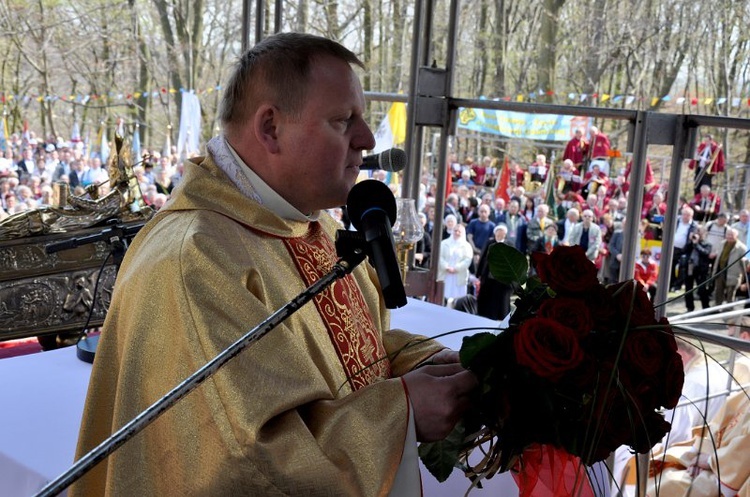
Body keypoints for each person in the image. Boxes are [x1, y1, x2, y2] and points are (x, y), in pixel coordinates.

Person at [70, 33, 477, 497]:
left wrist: (431, 363)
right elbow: (249, 458)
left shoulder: (305, 221)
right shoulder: (194, 260)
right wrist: (403, 411)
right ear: (270, 129)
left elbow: (349, 354)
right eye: (344, 121)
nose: (366, 139)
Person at [475, 224, 513, 320]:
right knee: (488, 297)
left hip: (502, 278)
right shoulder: (490, 242)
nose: (499, 234)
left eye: (501, 232)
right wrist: (478, 273)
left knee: (501, 299)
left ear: (505, 234)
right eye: (498, 232)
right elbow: (483, 257)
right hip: (489, 276)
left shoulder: (509, 244)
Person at [437, 223, 475, 308]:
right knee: (444, 295)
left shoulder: (467, 246)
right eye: (455, 231)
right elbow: (439, 257)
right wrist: (446, 267)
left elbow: (467, 259)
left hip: (459, 275)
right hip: (445, 274)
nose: (457, 233)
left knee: (458, 298)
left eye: (459, 231)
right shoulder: (444, 243)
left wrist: (456, 268)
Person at [712, 227, 748, 306]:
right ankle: (717, 308)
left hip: (733, 274)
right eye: (728, 234)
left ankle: (729, 311)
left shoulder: (741, 248)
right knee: (718, 292)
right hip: (720, 272)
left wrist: (743, 278)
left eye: (732, 235)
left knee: (730, 294)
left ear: (736, 236)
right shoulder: (722, 243)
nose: (729, 236)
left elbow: (745, 265)